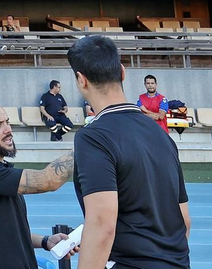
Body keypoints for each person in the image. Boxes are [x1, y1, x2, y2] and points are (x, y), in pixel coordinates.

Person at [67, 35, 190, 269]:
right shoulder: (162, 137)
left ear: (81, 80)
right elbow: (184, 221)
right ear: (123, 72)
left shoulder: (93, 137)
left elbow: (102, 224)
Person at [0, 99, 76, 269]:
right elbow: (48, 180)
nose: (8, 129)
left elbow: (8, 232)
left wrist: (45, 241)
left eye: (7, 122)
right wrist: (87, 145)